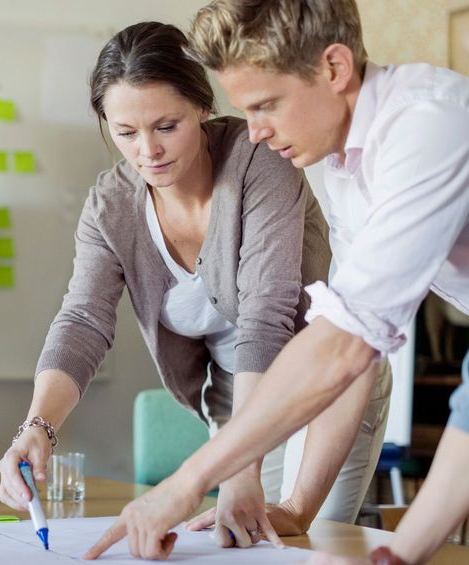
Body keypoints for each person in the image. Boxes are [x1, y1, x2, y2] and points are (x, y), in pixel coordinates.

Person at [85, 1, 469, 562]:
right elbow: (352, 337)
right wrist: (393, 549)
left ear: (334, 68)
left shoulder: (424, 127)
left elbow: (343, 347)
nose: (256, 132)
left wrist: (185, 483)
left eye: (266, 105)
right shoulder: (343, 168)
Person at [0, 21, 391, 555]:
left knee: (304, 544)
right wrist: (38, 425)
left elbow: (265, 315)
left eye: (166, 126)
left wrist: (240, 466)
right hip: (238, 403)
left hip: (328, 386)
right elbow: (83, 321)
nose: (147, 152)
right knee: (237, 544)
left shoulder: (258, 160)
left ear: (202, 107)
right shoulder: (110, 207)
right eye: (126, 132)